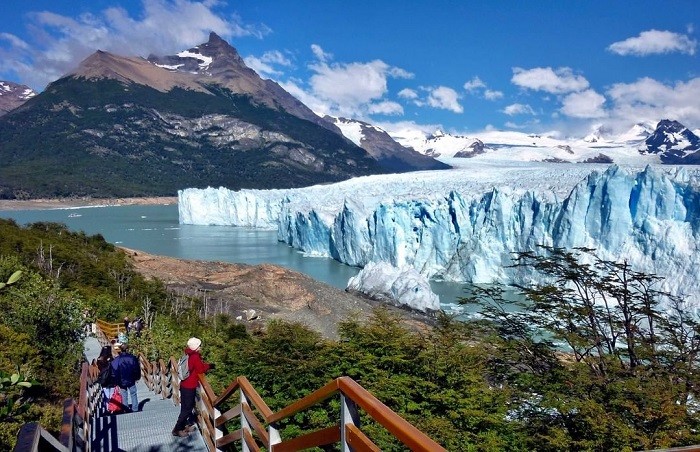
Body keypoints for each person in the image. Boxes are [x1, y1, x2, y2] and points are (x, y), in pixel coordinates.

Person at [172, 337, 213, 437]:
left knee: (185, 408)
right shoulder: (195, 356)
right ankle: (177, 429)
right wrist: (209, 366)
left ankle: (182, 426)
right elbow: (200, 369)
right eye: (199, 346)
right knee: (187, 409)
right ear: (196, 347)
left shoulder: (187, 354)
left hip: (184, 384)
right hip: (189, 386)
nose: (200, 347)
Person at [111, 343, 141, 412]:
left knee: (124, 395)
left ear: (120, 350)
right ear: (127, 349)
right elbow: (136, 368)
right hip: (131, 378)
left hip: (121, 380)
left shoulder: (116, 360)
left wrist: (116, 381)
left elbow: (114, 371)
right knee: (133, 393)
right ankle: (135, 408)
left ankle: (126, 409)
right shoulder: (132, 358)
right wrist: (137, 377)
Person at [96, 345, 116, 412]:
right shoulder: (112, 359)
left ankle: (107, 408)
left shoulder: (99, 360)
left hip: (104, 379)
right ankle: (112, 408)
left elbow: (98, 369)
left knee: (106, 395)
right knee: (111, 395)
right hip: (112, 379)